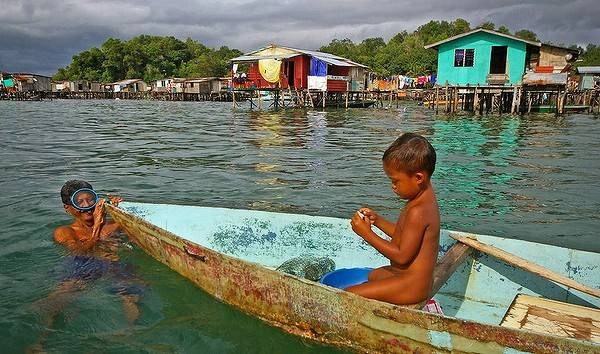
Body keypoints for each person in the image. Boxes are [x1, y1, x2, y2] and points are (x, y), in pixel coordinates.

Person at [29, 180, 140, 353]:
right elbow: (78, 253)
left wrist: (121, 212)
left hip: (113, 261)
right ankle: (40, 342)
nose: (87, 206)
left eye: (90, 200)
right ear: (67, 208)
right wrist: (96, 226)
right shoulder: (64, 231)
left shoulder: (113, 225)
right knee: (63, 294)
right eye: (79, 202)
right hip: (81, 265)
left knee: (130, 291)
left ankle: (129, 331)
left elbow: (139, 237)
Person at [347, 133, 440, 305]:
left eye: (396, 181)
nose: (393, 186)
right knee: (372, 275)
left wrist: (366, 234)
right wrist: (378, 221)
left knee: (346, 294)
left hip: (412, 286)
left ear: (419, 178)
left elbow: (402, 256)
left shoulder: (418, 211)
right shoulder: (422, 200)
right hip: (407, 276)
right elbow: (404, 235)